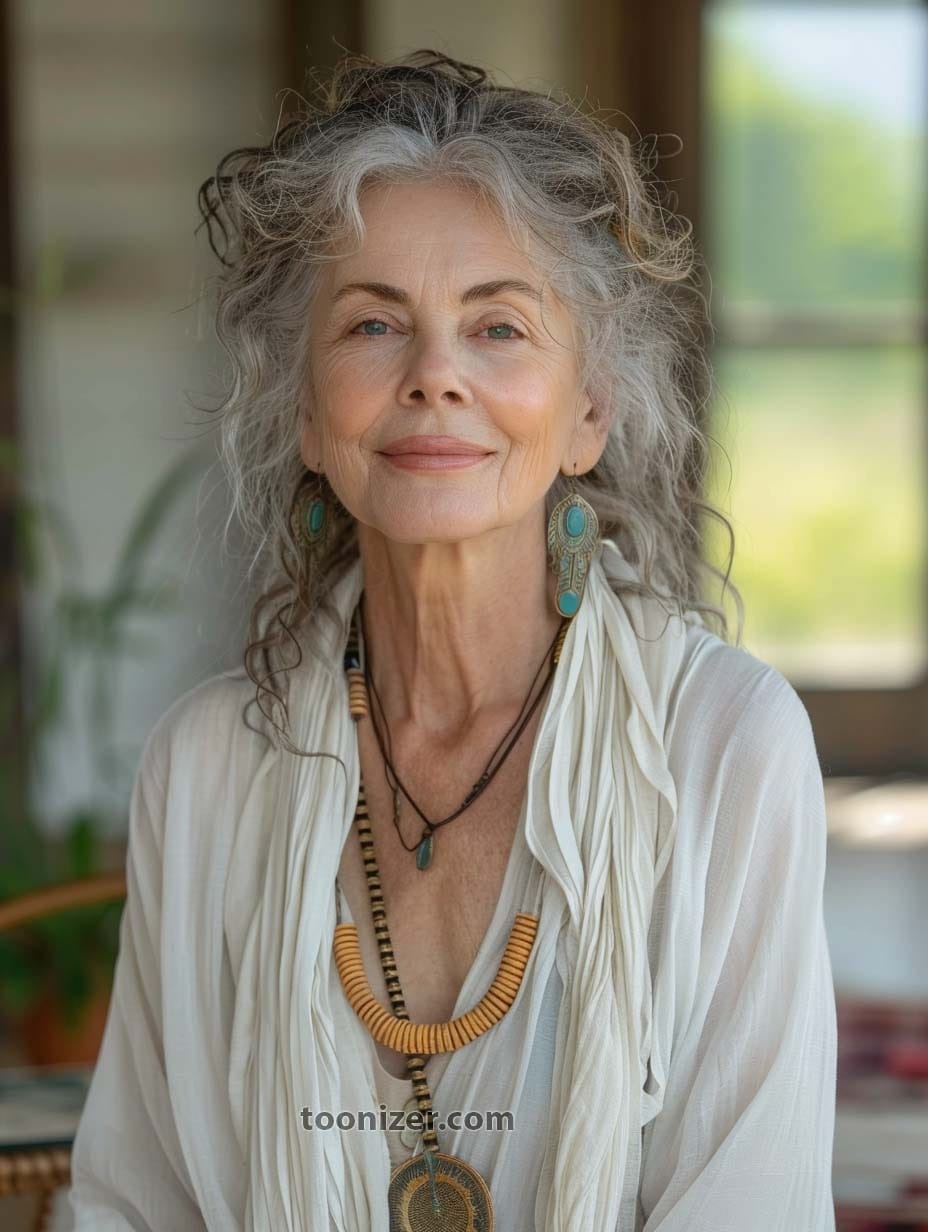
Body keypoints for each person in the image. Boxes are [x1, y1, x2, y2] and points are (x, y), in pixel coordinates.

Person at [63, 49, 837, 1231]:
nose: (434, 377)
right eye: (375, 324)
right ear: (307, 412)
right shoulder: (208, 765)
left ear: (590, 410)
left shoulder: (725, 748)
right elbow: (132, 1202)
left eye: (499, 327)